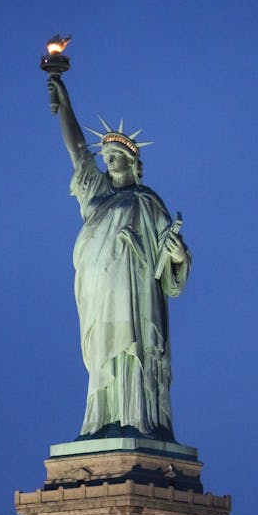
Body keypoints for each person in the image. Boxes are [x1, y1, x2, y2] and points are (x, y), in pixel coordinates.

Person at [47, 75, 191, 441]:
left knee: (133, 349)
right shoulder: (95, 192)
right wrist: (65, 104)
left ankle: (136, 418)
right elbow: (77, 150)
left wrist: (178, 256)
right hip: (98, 291)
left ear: (133, 164)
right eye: (107, 157)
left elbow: (171, 269)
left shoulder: (148, 203)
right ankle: (100, 421)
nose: (109, 162)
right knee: (102, 355)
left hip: (135, 292)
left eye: (117, 158)